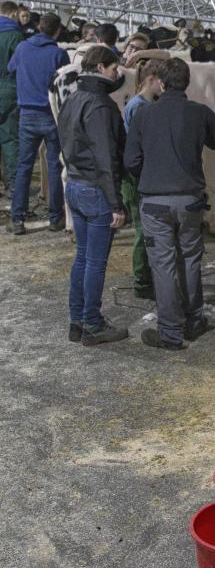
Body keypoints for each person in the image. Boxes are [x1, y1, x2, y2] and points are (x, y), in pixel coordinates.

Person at [125, 58, 215, 350]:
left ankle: (170, 332)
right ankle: (194, 321)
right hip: (191, 200)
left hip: (155, 202)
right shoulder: (199, 112)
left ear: (161, 82)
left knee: (164, 264)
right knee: (190, 260)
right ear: (187, 82)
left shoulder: (143, 114)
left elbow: (131, 161)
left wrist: (151, 175)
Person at [57, 47, 128, 345]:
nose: (117, 73)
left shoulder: (72, 98)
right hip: (95, 189)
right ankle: (93, 324)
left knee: (83, 258)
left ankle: (77, 321)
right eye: (114, 68)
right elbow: (105, 156)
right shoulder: (100, 105)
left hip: (74, 184)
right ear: (100, 67)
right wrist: (116, 203)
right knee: (95, 262)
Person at [6, 12, 68, 234]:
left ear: (39, 27)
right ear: (57, 31)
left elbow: (11, 69)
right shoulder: (58, 54)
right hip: (51, 115)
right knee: (54, 165)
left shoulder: (22, 48)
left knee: (24, 166)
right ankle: (55, 218)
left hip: (27, 115)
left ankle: (17, 219)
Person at [120, 58, 166, 299]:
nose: (164, 87)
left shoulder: (144, 104)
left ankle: (147, 276)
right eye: (162, 82)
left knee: (146, 228)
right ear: (151, 80)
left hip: (140, 173)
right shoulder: (139, 107)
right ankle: (141, 281)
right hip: (136, 176)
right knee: (142, 229)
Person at [0, 1, 22, 196]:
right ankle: (13, 184)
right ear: (14, 14)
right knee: (10, 138)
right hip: (9, 90)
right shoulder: (16, 36)